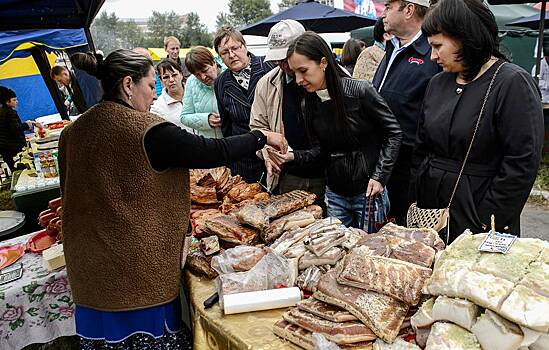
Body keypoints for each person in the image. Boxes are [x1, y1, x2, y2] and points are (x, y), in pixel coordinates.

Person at [59, 49, 285, 349]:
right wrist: (261, 136)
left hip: (86, 266)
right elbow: (210, 151)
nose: (154, 96)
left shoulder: (73, 131)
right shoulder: (147, 130)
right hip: (135, 273)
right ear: (128, 85)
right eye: (151, 86)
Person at [412, 0, 543, 241]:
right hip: (430, 211)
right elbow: (422, 146)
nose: (432, 56)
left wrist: (486, 217)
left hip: (480, 211)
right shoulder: (437, 83)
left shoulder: (511, 82)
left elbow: (521, 163)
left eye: (438, 46)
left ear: (464, 37)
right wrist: (418, 190)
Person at [279, 32, 402, 229]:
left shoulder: (360, 91)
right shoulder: (308, 102)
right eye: (294, 73)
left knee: (369, 252)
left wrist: (380, 176)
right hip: (335, 193)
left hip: (369, 192)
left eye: (303, 70)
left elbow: (394, 132)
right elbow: (321, 151)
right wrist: (294, 157)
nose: (299, 79)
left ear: (323, 62)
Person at [372, 0, 441, 225]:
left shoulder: (433, 52)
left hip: (411, 166)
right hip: (383, 160)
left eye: (389, 7)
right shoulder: (392, 47)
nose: (383, 13)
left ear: (409, 10)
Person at [249, 20, 326, 210]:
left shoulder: (333, 78)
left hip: (329, 174)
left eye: (286, 58)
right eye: (277, 60)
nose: (282, 64)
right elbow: (257, 127)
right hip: (289, 175)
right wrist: (267, 154)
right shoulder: (267, 84)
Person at [214, 26, 275, 183]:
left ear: (245, 46)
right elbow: (226, 126)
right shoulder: (220, 82)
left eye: (235, 48)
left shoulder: (269, 66)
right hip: (244, 160)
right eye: (224, 53)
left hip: (276, 151)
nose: (232, 55)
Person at [181, 46, 223, 138]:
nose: (203, 77)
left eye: (205, 70)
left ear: (214, 62)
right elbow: (184, 117)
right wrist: (206, 120)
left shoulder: (228, 75)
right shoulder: (191, 82)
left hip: (231, 142)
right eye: (197, 75)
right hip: (206, 144)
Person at [150, 59, 192, 132]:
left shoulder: (195, 94)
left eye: (174, 75)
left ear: (181, 75)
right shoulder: (157, 108)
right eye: (166, 77)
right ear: (161, 80)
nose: (171, 80)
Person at [0, 87, 34, 173]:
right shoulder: (10, 113)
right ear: (7, 102)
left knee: (14, 169)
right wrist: (28, 124)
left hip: (5, 148)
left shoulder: (2, 111)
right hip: (13, 147)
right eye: (14, 100)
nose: (17, 101)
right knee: (21, 170)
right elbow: (16, 129)